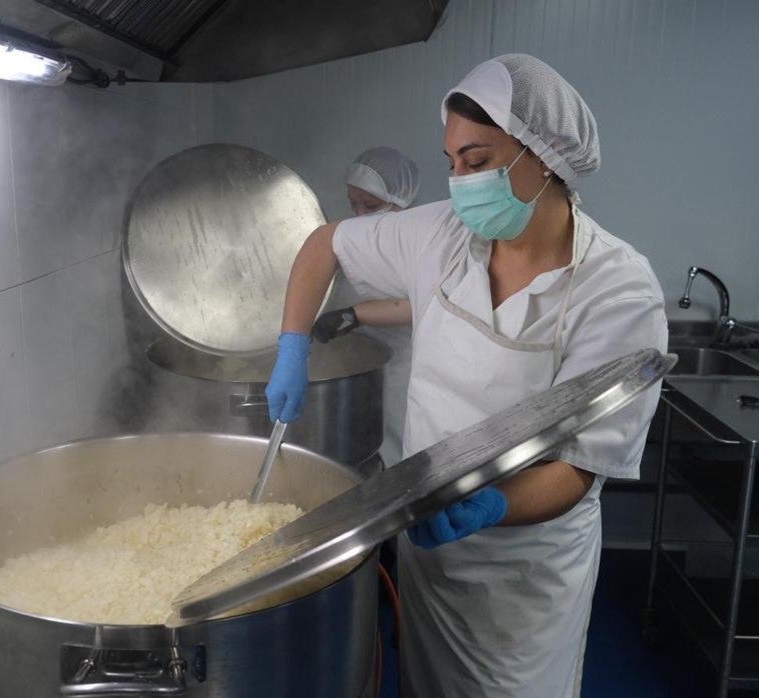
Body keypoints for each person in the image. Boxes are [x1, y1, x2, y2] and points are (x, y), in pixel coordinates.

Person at [264, 54, 668, 697]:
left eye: (477, 162)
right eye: (452, 162)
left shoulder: (617, 292)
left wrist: (488, 504)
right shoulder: (440, 235)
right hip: (432, 550)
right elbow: (324, 245)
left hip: (524, 575)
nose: (459, 183)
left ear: (543, 156)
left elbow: (579, 470)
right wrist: (291, 346)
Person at [314, 146, 421, 467]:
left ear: (400, 202)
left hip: (405, 367)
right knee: (366, 447)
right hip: (359, 361)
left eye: (370, 205)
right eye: (353, 204)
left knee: (404, 446)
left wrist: (354, 316)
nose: (359, 215)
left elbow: (420, 304)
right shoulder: (353, 236)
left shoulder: (420, 239)